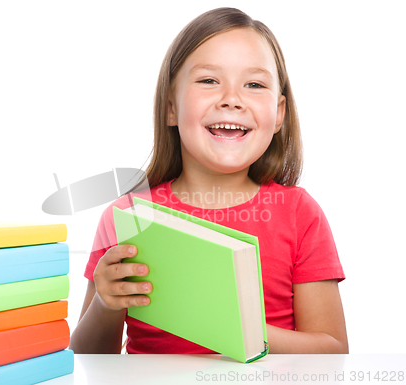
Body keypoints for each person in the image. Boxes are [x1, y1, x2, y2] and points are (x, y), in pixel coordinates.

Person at [70, 7, 348, 354]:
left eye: (254, 84)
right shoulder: (126, 217)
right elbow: (86, 358)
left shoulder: (299, 213)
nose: (231, 99)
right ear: (170, 107)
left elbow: (333, 352)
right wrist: (106, 305)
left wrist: (238, 329)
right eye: (208, 80)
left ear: (278, 114)